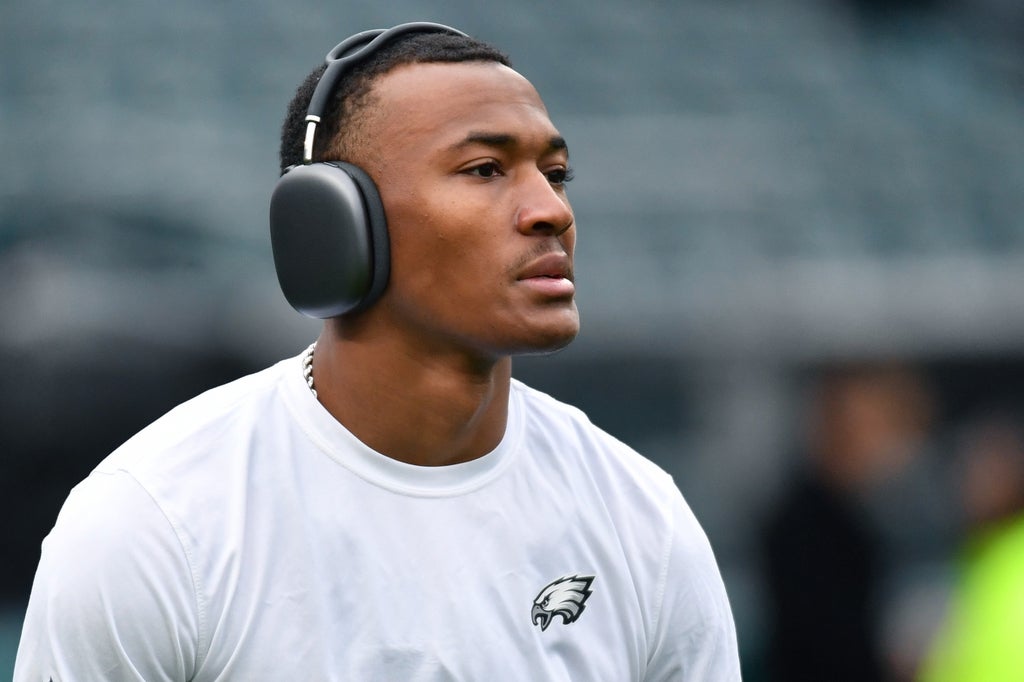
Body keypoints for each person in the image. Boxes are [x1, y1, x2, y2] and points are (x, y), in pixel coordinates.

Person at [14, 23, 740, 681]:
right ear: (332, 226)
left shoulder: (642, 520)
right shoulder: (156, 525)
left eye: (555, 174)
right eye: (486, 169)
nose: (552, 209)